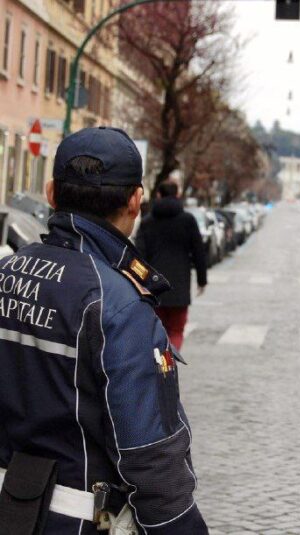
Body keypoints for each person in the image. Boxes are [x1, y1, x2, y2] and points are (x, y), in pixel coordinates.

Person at [0, 127, 208, 534]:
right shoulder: (119, 305)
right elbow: (150, 456)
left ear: (51, 193)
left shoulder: (4, 273)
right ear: (135, 200)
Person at [136, 181, 207, 350]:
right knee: (176, 331)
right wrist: (201, 280)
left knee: (155, 330)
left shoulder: (147, 222)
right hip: (179, 285)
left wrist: (139, 283)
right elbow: (198, 252)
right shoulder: (188, 221)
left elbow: (139, 256)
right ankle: (171, 365)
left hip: (153, 286)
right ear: (178, 195)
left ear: (158, 195)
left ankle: (158, 366)